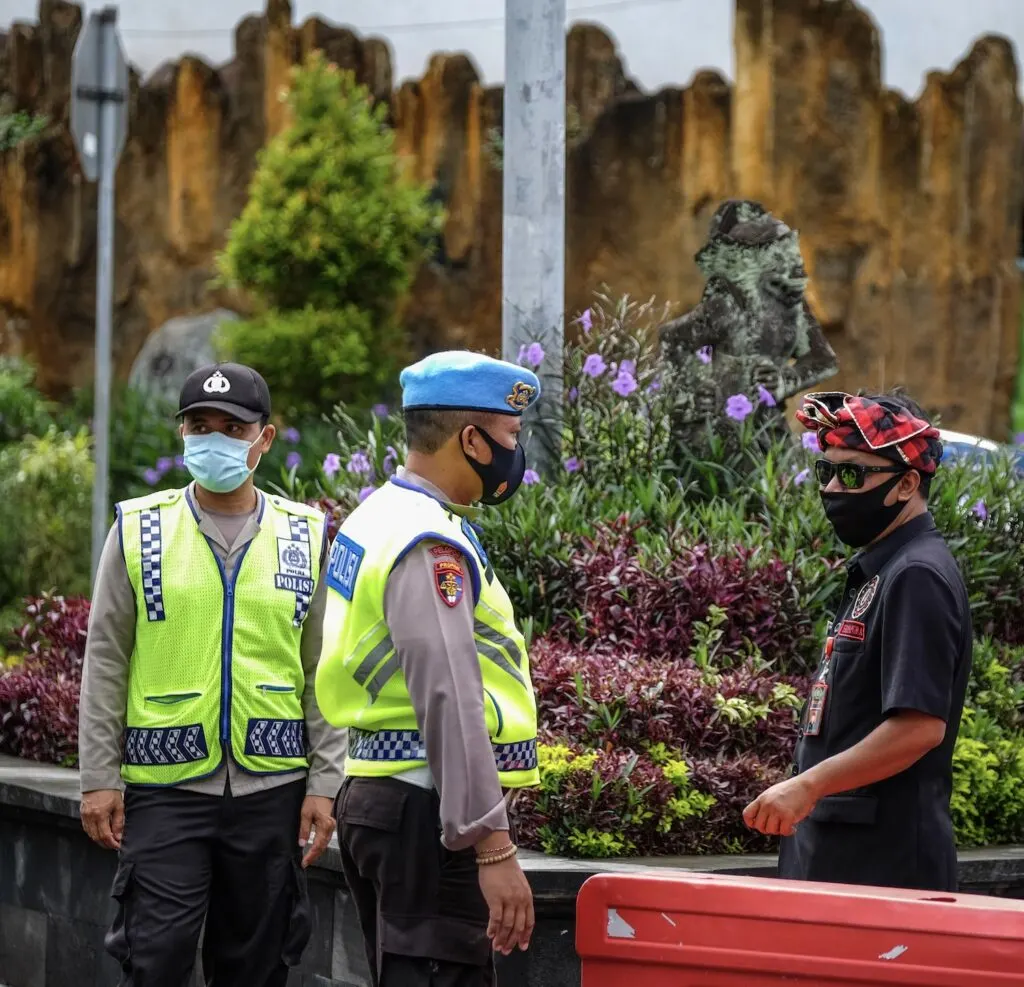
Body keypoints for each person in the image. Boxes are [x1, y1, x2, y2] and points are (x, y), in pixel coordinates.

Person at [78, 362, 347, 987]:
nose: (215, 439)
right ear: (182, 435)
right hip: (166, 792)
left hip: (271, 792)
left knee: (254, 967)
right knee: (156, 959)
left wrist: (325, 784)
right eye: (201, 426)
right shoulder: (139, 530)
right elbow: (107, 658)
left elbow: (323, 672)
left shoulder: (305, 536)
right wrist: (98, 778)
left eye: (233, 427)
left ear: (265, 438)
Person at [316, 350, 542, 987]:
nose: (515, 453)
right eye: (510, 436)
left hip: (384, 795)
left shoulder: (376, 516)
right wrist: (490, 844)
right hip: (429, 813)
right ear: (470, 439)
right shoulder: (427, 541)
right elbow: (448, 694)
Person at [743, 390, 972, 891]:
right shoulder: (883, 569)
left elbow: (918, 728)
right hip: (837, 859)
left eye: (852, 474)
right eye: (825, 472)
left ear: (908, 483)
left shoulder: (917, 575)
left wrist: (808, 786)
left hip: (882, 869)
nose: (833, 488)